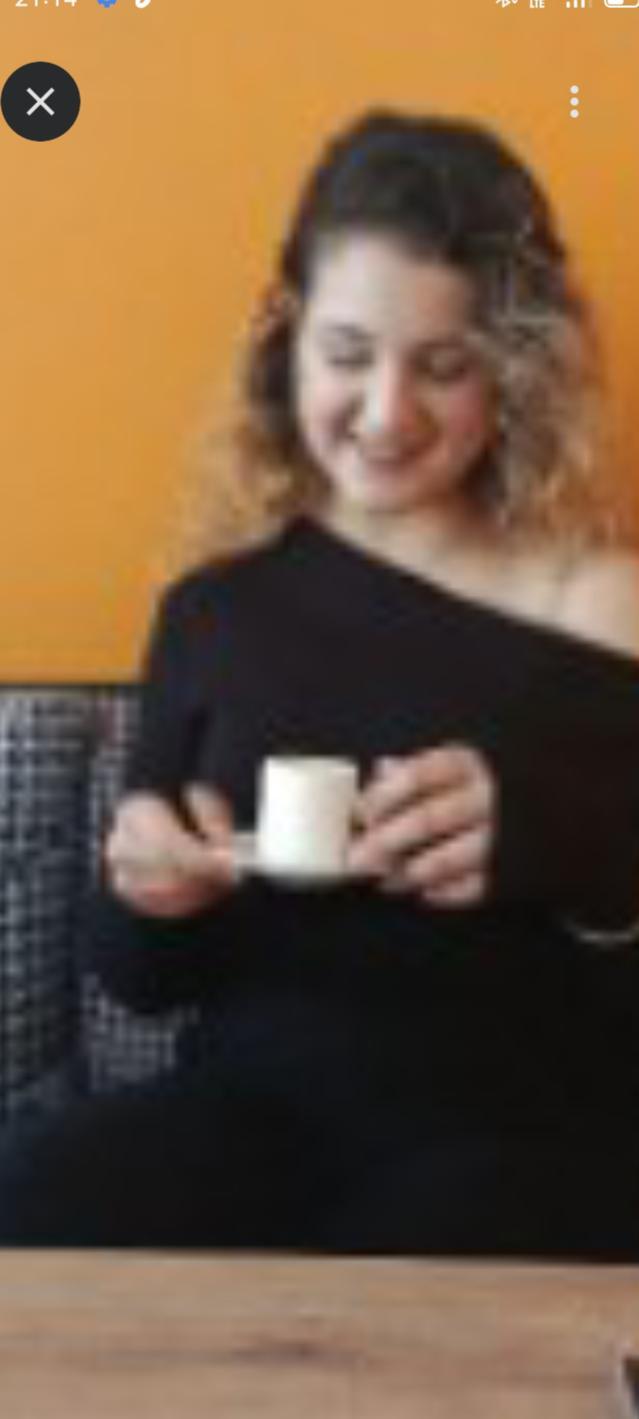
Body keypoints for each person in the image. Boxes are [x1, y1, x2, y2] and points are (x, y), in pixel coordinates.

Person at [2, 108, 639, 1255]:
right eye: (348, 355)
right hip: (252, 1116)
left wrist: (557, 848)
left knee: (439, 1247)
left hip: (524, 1126)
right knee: (36, 1199)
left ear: (514, 371)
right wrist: (146, 894)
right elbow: (143, 984)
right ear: (286, 340)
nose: (387, 413)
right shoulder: (214, 612)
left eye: (444, 366)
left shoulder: (602, 601)